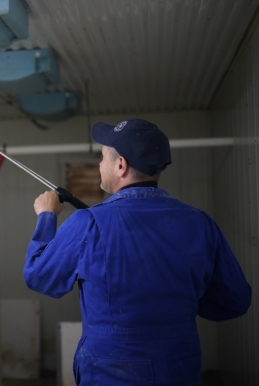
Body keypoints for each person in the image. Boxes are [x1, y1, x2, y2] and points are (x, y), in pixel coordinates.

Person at [23, 118, 252, 385]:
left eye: (102, 157)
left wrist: (46, 216)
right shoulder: (200, 223)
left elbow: (39, 276)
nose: (99, 164)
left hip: (110, 372)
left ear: (120, 165)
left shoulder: (88, 223)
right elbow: (234, 301)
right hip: (180, 368)